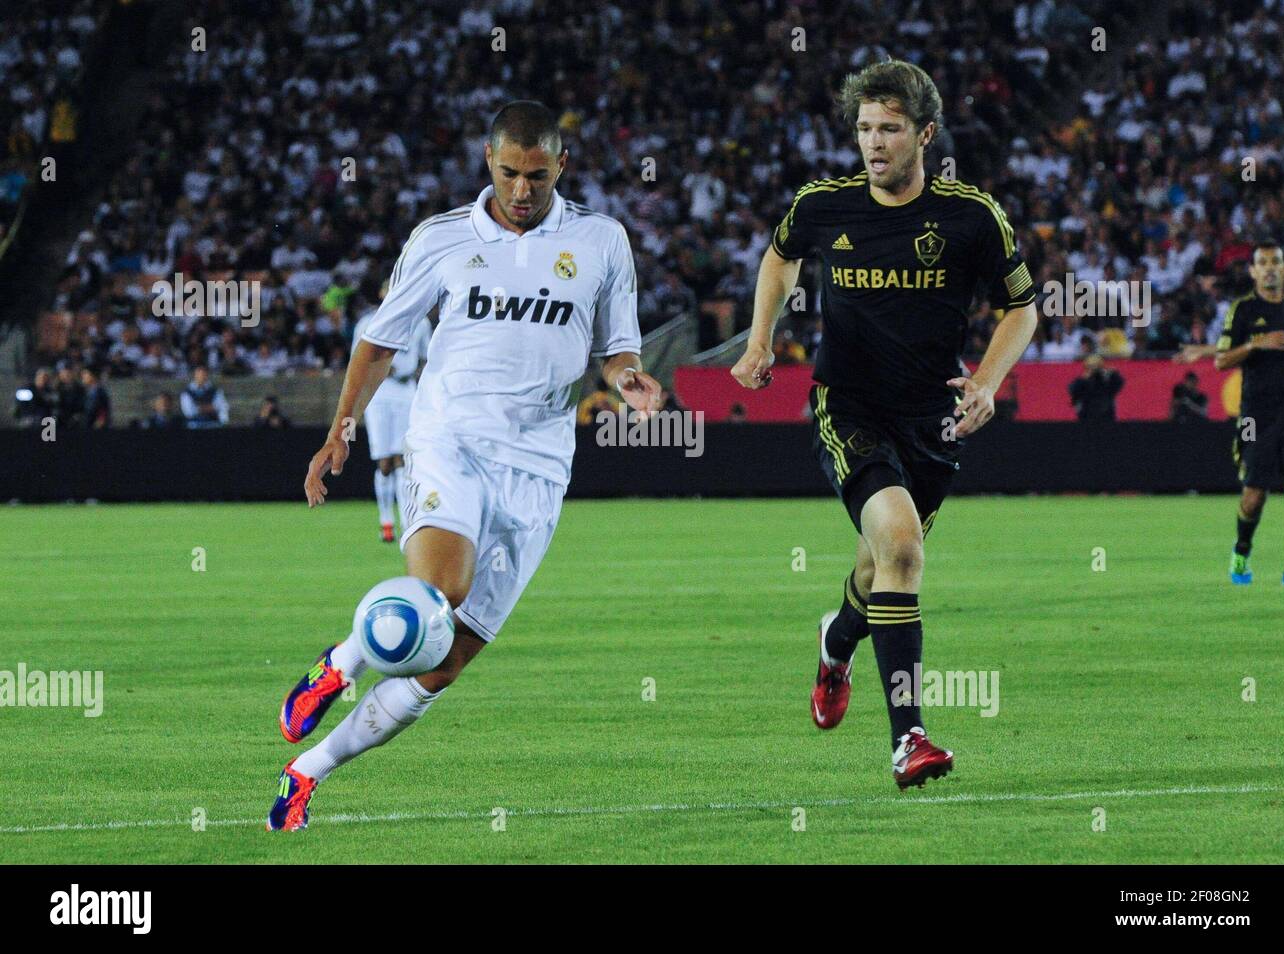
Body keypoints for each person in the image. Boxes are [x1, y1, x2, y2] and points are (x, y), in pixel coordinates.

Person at [268, 101, 662, 831]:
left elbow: (618, 347)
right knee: (437, 594)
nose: (522, 189)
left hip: (539, 468)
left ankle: (305, 772)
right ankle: (343, 661)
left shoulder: (602, 241)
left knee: (441, 663)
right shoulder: (443, 239)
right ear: (488, 160)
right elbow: (380, 342)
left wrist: (627, 378)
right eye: (510, 172)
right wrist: (340, 431)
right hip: (452, 437)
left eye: (537, 175)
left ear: (561, 167)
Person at [731, 59, 1037, 789]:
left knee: (882, 566)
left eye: (890, 129)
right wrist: (760, 339)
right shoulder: (823, 206)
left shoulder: (971, 216)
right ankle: (911, 740)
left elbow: (1021, 307)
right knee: (901, 545)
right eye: (865, 128)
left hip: (934, 420)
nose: (874, 142)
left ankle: (836, 645)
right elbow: (779, 258)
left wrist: (989, 381)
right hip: (851, 406)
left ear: (924, 133)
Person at [1214, 240, 1284, 586]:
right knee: (1254, 495)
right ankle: (1241, 552)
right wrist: (1255, 344)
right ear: (1252, 271)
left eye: (1274, 261)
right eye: (1261, 262)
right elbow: (1221, 360)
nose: (1268, 267)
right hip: (1254, 417)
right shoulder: (1243, 311)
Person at [351, 279, 431, 542]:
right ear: (382, 293)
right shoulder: (368, 323)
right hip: (380, 394)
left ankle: (406, 520)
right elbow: (358, 359)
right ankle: (385, 519)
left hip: (406, 392)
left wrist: (417, 375)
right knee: (384, 461)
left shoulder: (420, 323)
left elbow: (425, 358)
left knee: (403, 460)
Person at [1068, 354, 1124, 421]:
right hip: (1086, 417)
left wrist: (1113, 373)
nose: (1093, 368)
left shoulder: (1106, 381)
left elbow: (1119, 384)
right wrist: (1083, 379)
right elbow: (1072, 390)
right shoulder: (1082, 380)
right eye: (1090, 366)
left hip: (1106, 417)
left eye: (1096, 365)